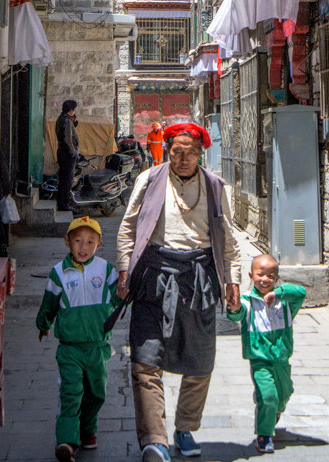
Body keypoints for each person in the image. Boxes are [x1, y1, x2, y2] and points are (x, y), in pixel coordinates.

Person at [116, 122, 241, 462]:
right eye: (177, 151)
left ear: (201, 153)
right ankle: (154, 440)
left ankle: (185, 427)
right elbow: (128, 227)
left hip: (199, 279)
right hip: (154, 277)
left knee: (200, 361)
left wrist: (232, 280)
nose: (184, 158)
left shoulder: (214, 186)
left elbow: (228, 237)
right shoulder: (149, 180)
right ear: (167, 151)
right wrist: (124, 269)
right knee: (145, 358)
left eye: (191, 152)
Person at [36, 216, 120, 461]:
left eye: (90, 242)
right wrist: (43, 324)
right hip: (70, 348)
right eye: (78, 241)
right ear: (67, 241)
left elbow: (119, 297)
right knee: (71, 394)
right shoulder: (58, 273)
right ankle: (66, 441)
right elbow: (49, 304)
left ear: (99, 245)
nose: (83, 247)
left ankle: (87, 430)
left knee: (96, 393)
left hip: (98, 348)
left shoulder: (107, 271)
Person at [226, 254, 306, 454]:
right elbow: (236, 314)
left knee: (285, 393)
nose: (265, 279)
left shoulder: (284, 302)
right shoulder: (247, 301)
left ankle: (273, 411)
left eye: (271, 276)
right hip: (259, 360)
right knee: (268, 396)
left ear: (277, 278)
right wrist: (234, 307)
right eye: (260, 274)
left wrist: (277, 294)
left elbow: (301, 292)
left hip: (281, 359)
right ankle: (264, 435)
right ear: (251, 275)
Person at [55, 99, 79, 211]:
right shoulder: (66, 120)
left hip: (63, 152)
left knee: (64, 179)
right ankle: (64, 203)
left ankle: (63, 202)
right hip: (67, 154)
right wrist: (73, 152)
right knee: (67, 180)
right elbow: (67, 139)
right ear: (71, 110)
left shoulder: (63, 119)